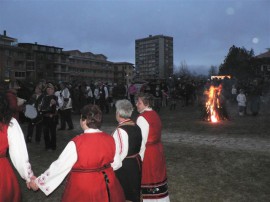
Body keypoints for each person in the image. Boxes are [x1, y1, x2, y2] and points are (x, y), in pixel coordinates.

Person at [30, 104, 125, 202]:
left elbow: (60, 166)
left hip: (84, 188)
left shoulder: (77, 143)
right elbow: (117, 164)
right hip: (108, 184)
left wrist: (38, 182)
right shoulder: (110, 139)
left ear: (83, 120)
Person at [0, 90, 35, 201]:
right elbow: (18, 153)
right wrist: (29, 177)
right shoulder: (9, 123)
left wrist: (28, 176)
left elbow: (18, 153)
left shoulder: (9, 123)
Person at [136, 92, 170, 202]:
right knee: (157, 177)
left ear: (146, 104)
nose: (136, 104)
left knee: (150, 178)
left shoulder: (142, 118)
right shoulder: (155, 114)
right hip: (157, 150)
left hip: (149, 153)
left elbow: (142, 142)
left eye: (139, 102)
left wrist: (139, 159)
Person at [112, 99, 142, 202]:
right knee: (134, 191)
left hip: (125, 165)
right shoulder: (135, 125)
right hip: (135, 162)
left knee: (126, 192)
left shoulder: (121, 130)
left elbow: (121, 153)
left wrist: (112, 167)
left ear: (118, 113)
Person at [40, 83, 58, 150]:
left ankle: (53, 146)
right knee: (45, 132)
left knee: (53, 132)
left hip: (53, 118)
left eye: (51, 89)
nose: (49, 90)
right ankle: (47, 146)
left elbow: (60, 106)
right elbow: (41, 107)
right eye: (48, 88)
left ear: (53, 90)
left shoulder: (56, 97)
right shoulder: (44, 98)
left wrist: (56, 103)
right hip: (45, 117)